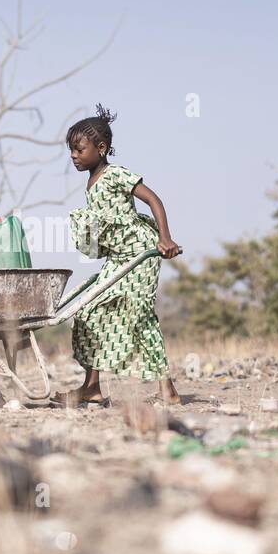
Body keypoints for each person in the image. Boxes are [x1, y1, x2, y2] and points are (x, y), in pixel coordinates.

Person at [58, 104, 182, 407]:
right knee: (89, 313)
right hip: (117, 258)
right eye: (71, 150)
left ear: (101, 148)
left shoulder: (115, 175)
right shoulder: (91, 183)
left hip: (139, 253)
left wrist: (165, 238)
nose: (73, 155)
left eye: (79, 149)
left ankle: (168, 391)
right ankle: (92, 388)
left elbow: (153, 200)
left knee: (138, 317)